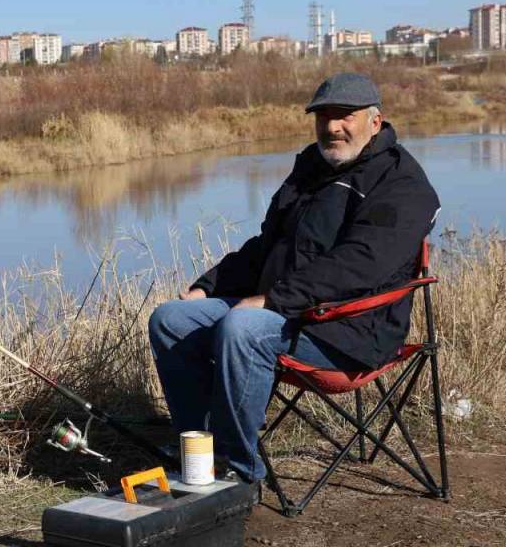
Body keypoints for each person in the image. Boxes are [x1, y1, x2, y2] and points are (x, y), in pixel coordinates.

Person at [147, 72, 440, 483]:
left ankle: (237, 471)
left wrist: (272, 300)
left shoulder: (402, 184)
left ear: (375, 121)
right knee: (172, 319)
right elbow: (269, 244)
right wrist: (209, 285)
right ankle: (198, 453)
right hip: (290, 314)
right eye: (323, 117)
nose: (332, 127)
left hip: (350, 331)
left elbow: (360, 265)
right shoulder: (311, 167)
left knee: (244, 327)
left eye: (344, 116)